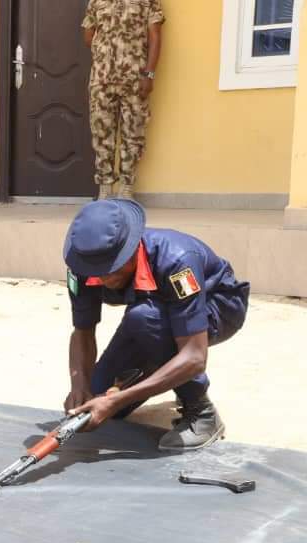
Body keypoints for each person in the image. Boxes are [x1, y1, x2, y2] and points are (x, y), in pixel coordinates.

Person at [63, 199, 250, 450]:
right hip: (149, 312)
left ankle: (202, 413)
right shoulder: (82, 267)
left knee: (144, 318)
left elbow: (195, 356)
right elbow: (83, 331)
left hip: (217, 306)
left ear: (132, 247)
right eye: (98, 270)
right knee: (99, 395)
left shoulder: (177, 262)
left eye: (113, 267)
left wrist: (117, 400)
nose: (105, 277)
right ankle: (154, 365)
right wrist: (80, 385)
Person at [83, 0, 164, 200]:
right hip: (102, 79)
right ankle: (105, 188)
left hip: (135, 78)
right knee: (101, 132)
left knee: (134, 133)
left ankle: (126, 187)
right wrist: (106, 50)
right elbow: (88, 32)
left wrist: (150, 74)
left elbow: (155, 36)